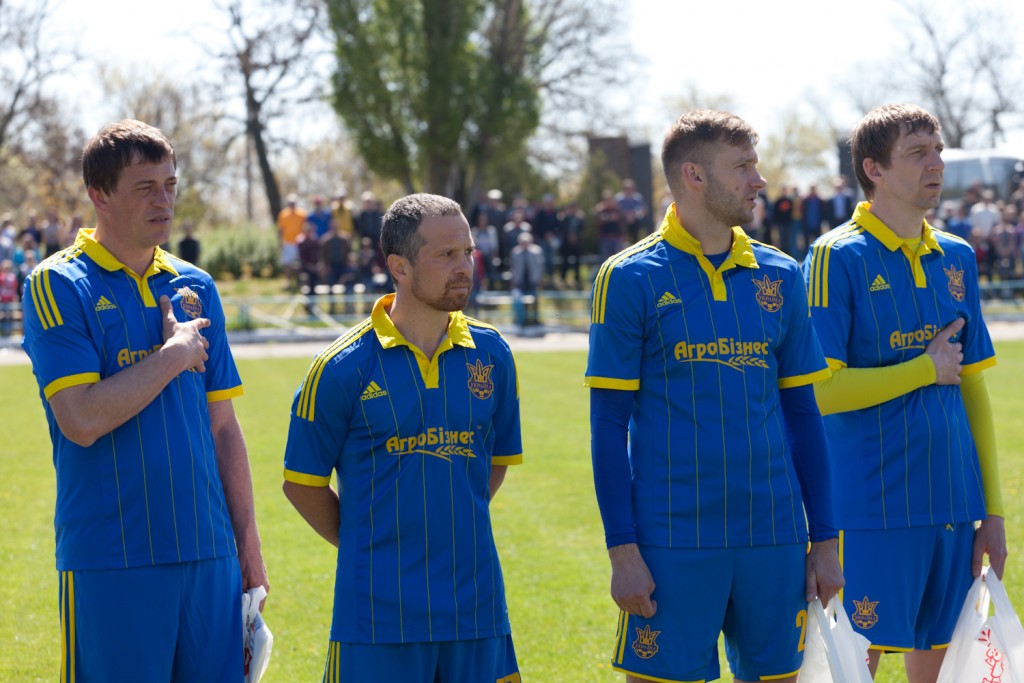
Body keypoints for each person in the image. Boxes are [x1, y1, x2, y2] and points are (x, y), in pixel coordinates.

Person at [586, 110, 842, 683]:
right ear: (695, 176)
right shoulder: (628, 277)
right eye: (743, 166)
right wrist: (622, 550)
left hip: (773, 536)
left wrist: (825, 541)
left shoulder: (781, 274)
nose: (759, 180)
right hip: (671, 538)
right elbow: (607, 426)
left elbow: (804, 415)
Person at [19, 119, 267, 682]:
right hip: (113, 556)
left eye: (170, 185)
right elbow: (81, 418)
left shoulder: (195, 286)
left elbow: (223, 427)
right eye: (146, 188)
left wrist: (247, 545)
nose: (164, 201)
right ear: (99, 194)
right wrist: (174, 355)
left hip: (209, 554)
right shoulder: (58, 284)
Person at [282, 193, 523, 683]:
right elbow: (302, 484)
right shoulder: (340, 367)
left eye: (467, 251)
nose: (464, 267)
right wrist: (369, 544)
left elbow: (495, 462)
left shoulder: (493, 354)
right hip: (377, 616)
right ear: (399, 267)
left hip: (476, 609)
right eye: (445, 254)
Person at [802, 104, 1006, 682]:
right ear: (874, 169)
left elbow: (972, 388)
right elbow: (822, 393)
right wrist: (923, 368)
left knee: (941, 670)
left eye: (937, 151)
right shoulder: (833, 257)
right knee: (852, 667)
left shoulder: (957, 256)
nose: (936, 164)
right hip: (869, 511)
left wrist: (991, 512)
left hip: (953, 508)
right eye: (918, 153)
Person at [278, 192, 307, 291]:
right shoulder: (283, 214)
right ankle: (288, 281)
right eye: (290, 203)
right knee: (288, 263)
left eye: (293, 203)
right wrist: (280, 241)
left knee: (300, 263)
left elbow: (305, 227)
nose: (292, 204)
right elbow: (281, 229)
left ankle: (300, 282)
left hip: (300, 243)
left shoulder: (302, 213)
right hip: (288, 242)